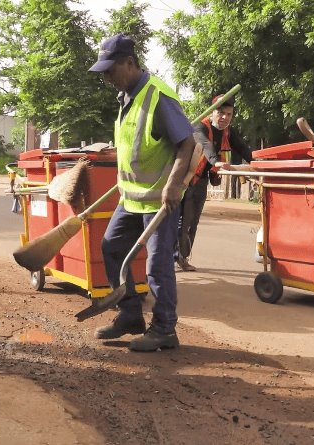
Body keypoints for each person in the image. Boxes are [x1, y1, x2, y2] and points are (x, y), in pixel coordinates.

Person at [88, 34, 196, 352]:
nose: (107, 77)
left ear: (130, 63)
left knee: (157, 265)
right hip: (132, 198)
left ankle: (164, 330)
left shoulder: (158, 97)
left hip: (160, 198)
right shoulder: (126, 98)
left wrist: (174, 186)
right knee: (111, 247)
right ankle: (130, 315)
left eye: (111, 70)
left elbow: (187, 143)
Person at [175, 94, 253, 272]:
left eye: (229, 114)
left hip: (201, 180)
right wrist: (216, 161)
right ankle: (174, 256)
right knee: (183, 221)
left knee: (193, 222)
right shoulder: (199, 127)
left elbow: (242, 147)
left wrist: (256, 162)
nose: (225, 118)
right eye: (221, 113)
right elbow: (206, 145)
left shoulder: (228, 131)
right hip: (185, 179)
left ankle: (182, 257)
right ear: (212, 112)